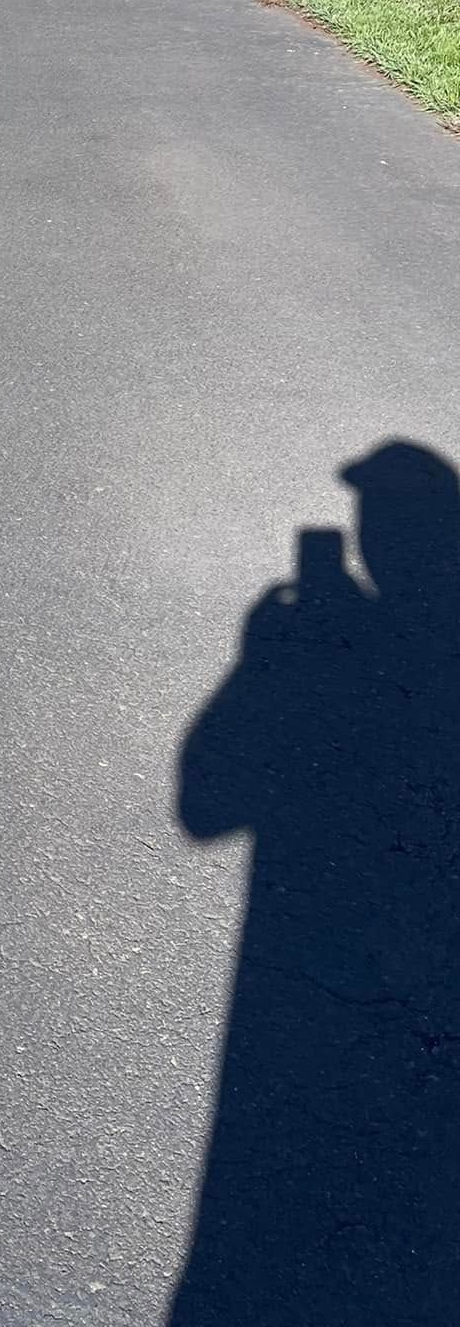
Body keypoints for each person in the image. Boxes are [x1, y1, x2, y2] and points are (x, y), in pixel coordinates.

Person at [171, 442, 460, 1326]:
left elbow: (205, 800)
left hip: (321, 1019)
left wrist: (262, 661)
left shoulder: (330, 646)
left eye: (383, 520)